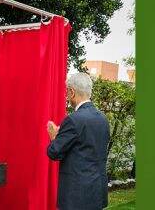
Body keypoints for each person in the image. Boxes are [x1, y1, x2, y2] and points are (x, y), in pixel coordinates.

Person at [47, 73, 110, 210]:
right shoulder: (103, 119)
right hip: (97, 192)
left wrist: (54, 137)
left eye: (67, 91)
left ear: (72, 92)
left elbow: (54, 152)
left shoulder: (73, 120)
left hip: (76, 196)